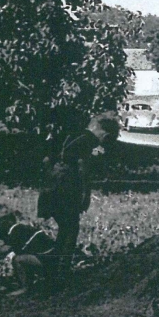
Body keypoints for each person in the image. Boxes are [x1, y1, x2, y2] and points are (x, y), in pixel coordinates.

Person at [39, 113, 120, 284]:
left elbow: (46, 160)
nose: (103, 141)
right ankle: (62, 272)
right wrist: (85, 193)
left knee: (64, 228)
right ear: (103, 132)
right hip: (68, 187)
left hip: (51, 185)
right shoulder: (89, 140)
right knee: (70, 230)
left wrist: (50, 180)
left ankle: (53, 268)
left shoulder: (69, 135)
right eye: (106, 138)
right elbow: (83, 167)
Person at [0, 203, 57, 294]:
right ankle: (38, 280)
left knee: (18, 260)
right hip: (52, 257)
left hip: (47, 260)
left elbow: (4, 250)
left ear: (2, 224)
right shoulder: (21, 228)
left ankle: (25, 287)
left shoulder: (15, 231)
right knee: (24, 257)